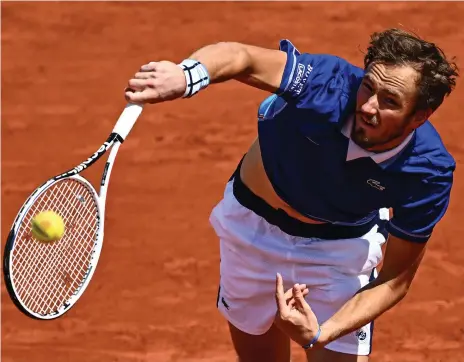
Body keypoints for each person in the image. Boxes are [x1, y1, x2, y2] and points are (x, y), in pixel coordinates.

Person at [124, 28, 459, 362]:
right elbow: (242, 57)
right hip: (252, 231)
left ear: (420, 116)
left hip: (340, 250)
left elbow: (394, 280)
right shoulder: (328, 83)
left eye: (389, 101)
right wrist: (187, 75)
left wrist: (320, 333)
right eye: (368, 87)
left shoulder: (427, 171)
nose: (368, 107)